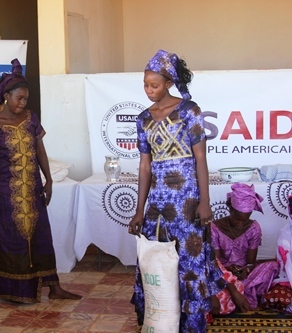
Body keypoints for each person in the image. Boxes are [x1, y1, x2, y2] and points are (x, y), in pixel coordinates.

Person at [128, 49, 225, 332]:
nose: (149, 90)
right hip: (157, 206)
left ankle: (191, 327)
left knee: (188, 266)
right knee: (158, 264)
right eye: (145, 84)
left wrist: (204, 201)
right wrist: (139, 211)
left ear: (169, 82)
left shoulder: (189, 111)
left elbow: (200, 159)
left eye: (154, 85)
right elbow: (145, 167)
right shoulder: (143, 119)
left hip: (187, 203)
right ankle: (161, 323)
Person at [0, 58, 81, 303]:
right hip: (6, 193)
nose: (23, 103)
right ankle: (16, 291)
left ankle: (53, 286)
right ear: (6, 96)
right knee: (11, 238)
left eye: (26, 99)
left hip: (33, 189)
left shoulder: (31, 118)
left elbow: (40, 150)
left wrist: (48, 180)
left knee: (41, 235)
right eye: (19, 99)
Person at [211, 183, 279, 313]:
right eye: (237, 219)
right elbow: (216, 263)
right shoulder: (215, 228)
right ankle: (240, 295)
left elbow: (250, 262)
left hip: (244, 276)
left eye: (244, 220)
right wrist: (229, 274)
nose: (240, 224)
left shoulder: (254, 228)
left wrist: (246, 269)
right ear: (230, 208)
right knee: (212, 286)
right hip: (222, 275)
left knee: (273, 266)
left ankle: (238, 295)